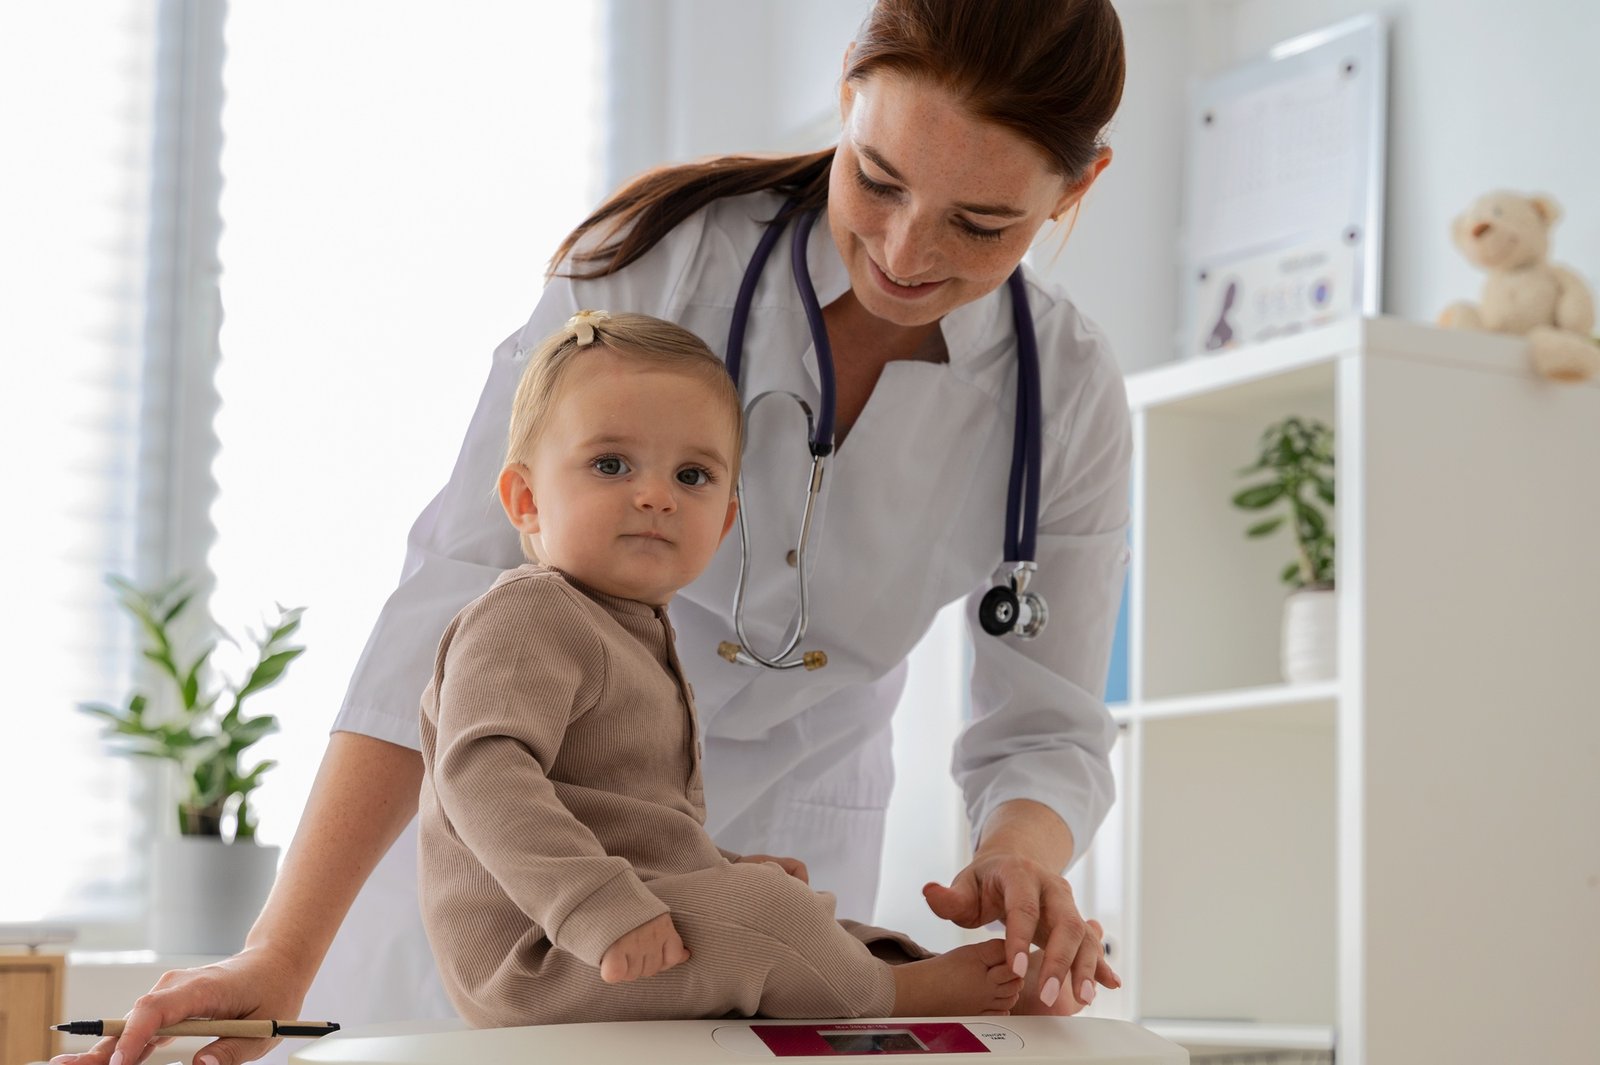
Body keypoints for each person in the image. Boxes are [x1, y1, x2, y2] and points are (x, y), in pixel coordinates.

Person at [69, 3, 1131, 1063]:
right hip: (527, 812)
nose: (905, 251)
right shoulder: (660, 264)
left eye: (980, 224)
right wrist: (282, 951)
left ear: (1076, 191)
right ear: (847, 98)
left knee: (781, 985)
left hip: (790, 820)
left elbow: (1046, 723)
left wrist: (1020, 850)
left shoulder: (1067, 397)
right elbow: (451, 603)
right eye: (879, 180)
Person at [421, 308, 1026, 1025]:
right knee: (768, 916)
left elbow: (624, 817)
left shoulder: (627, 629)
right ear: (525, 500)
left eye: (693, 474)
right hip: (546, 950)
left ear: (727, 521)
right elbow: (482, 771)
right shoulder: (529, 612)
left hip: (604, 922)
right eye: (610, 464)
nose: (656, 494)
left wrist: (716, 865)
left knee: (795, 909)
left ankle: (918, 970)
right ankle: (897, 996)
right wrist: (595, 906)